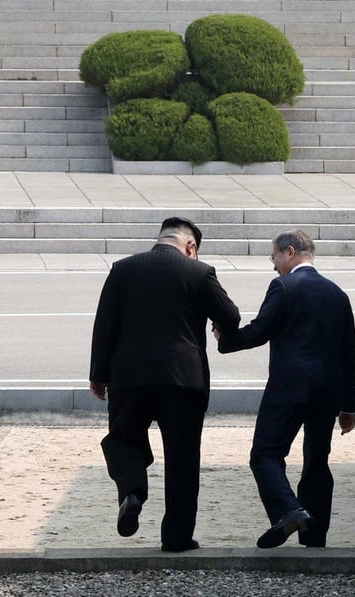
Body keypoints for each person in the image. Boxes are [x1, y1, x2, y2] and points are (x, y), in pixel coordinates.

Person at [89, 216, 240, 552]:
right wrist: (218, 328)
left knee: (123, 438)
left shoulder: (123, 269)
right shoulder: (199, 273)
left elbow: (105, 324)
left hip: (128, 377)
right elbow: (230, 316)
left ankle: (131, 491)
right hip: (183, 380)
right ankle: (176, 537)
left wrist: (98, 375)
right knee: (183, 458)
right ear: (191, 246)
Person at [216, 229, 355, 549]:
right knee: (317, 461)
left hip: (288, 386)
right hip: (327, 391)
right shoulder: (338, 293)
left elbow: (261, 330)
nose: (274, 265)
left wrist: (226, 339)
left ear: (289, 252)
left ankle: (289, 510)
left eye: (274, 257)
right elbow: (350, 351)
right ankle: (314, 536)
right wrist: (349, 405)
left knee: (266, 452)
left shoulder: (283, 285)